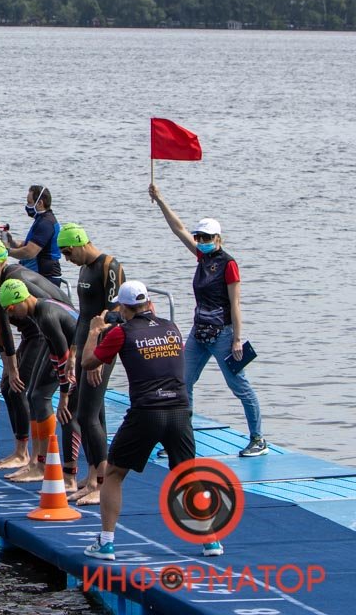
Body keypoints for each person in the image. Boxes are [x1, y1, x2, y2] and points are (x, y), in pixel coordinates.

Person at [81, 281, 223, 560]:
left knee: (113, 474)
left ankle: (106, 543)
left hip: (147, 411)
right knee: (187, 476)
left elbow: (88, 362)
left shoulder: (121, 333)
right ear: (149, 304)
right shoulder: (171, 327)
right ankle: (211, 540)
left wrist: (93, 332)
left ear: (122, 308)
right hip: (180, 410)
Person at [149, 184, 267, 457]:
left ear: (217, 238)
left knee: (239, 386)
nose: (200, 239)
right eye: (198, 236)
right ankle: (181, 441)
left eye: (205, 236)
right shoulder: (202, 258)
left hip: (224, 335)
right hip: (199, 333)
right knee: (183, 382)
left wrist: (237, 338)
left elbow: (235, 303)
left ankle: (258, 439)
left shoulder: (228, 264)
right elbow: (178, 228)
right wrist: (161, 200)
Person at [0, 237, 73, 478]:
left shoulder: (15, 280)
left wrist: (13, 366)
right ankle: (26, 454)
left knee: (28, 392)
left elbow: (51, 306)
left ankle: (37, 460)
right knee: (13, 388)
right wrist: (8, 365)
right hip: (37, 333)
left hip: (47, 332)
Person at [58, 223, 125, 503]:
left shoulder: (109, 266)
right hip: (85, 347)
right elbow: (84, 317)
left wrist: (99, 357)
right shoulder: (84, 269)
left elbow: (115, 314)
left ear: (80, 243)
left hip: (102, 350)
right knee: (91, 415)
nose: (66, 259)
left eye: (68, 252)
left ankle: (101, 485)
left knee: (86, 414)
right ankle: (93, 474)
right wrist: (72, 352)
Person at [0, 278, 78, 478]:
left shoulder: (46, 316)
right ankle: (37, 462)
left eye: (11, 310)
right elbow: (54, 348)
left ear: (22, 300)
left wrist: (64, 394)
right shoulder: (38, 311)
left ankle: (44, 466)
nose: (11, 317)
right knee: (33, 394)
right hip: (70, 349)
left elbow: (63, 356)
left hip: (81, 353)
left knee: (41, 397)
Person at [4, 185, 63, 287]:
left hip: (45, 278)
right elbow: (31, 244)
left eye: (29, 202)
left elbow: (29, 252)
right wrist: (13, 242)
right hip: (36, 275)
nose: (27, 206)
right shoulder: (41, 219)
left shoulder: (46, 223)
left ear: (40, 203)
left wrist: (5, 252)